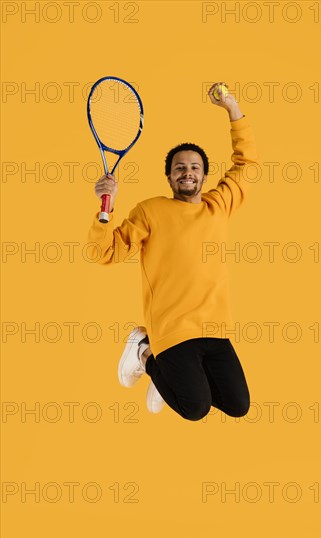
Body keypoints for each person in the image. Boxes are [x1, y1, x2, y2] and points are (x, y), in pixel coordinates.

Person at [88, 82, 259, 421]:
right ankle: (144, 352)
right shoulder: (150, 211)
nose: (187, 172)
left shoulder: (218, 204)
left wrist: (233, 109)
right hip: (171, 328)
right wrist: (105, 210)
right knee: (194, 409)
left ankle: (167, 375)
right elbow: (104, 253)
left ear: (205, 176)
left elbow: (247, 164)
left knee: (238, 406)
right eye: (179, 168)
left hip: (214, 328)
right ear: (169, 177)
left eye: (194, 167)